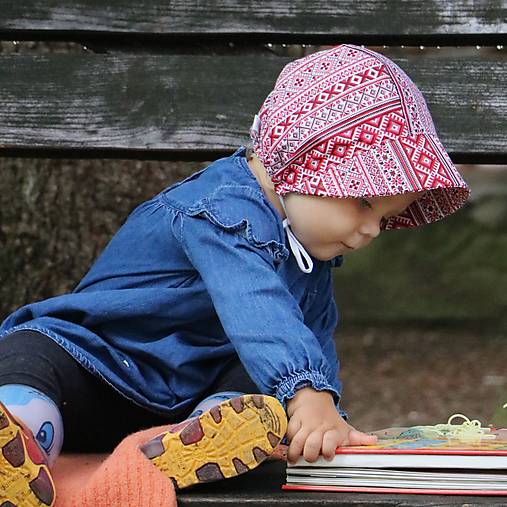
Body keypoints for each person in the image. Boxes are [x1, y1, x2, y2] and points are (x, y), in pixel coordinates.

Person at [0, 43, 470, 505]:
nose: (370, 231)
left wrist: (323, 415)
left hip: (185, 399)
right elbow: (255, 304)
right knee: (32, 350)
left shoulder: (309, 256)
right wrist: (306, 391)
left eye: (385, 219)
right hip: (97, 367)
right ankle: (20, 440)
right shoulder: (221, 211)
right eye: (365, 202)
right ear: (300, 162)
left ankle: (201, 439)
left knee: (259, 388)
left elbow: (312, 340)